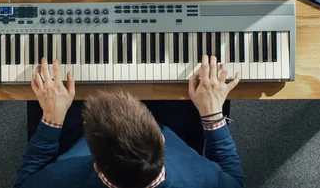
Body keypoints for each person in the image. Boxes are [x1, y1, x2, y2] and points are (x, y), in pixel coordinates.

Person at [15, 55, 244, 188]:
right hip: (178, 132)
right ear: (160, 138)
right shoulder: (205, 180)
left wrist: (52, 119)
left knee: (46, 87)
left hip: (76, 140)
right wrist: (213, 114)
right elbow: (235, 180)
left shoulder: (62, 181)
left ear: (96, 164)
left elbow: (25, 181)